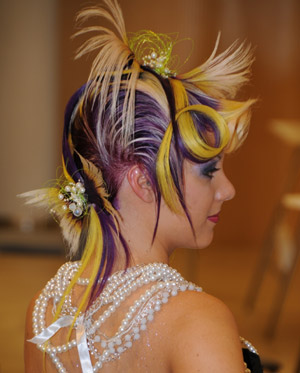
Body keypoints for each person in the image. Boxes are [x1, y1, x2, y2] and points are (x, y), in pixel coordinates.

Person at [23, 0, 262, 371]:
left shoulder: (45, 311)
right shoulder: (196, 323)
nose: (227, 190)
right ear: (144, 182)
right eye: (209, 172)